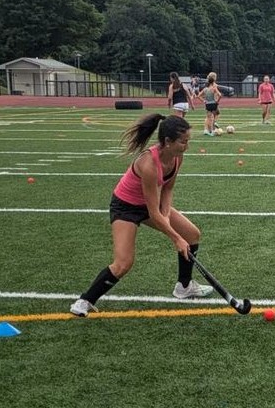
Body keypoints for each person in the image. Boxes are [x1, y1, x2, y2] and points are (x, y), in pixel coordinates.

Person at [70, 114, 213, 317]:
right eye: (183, 142)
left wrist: (167, 216)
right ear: (168, 142)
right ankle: (85, 301)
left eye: (188, 141)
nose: (186, 146)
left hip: (150, 205)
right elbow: (152, 212)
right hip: (126, 207)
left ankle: (184, 287)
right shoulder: (149, 164)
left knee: (192, 234)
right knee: (123, 263)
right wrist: (175, 237)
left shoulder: (176, 157)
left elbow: (168, 189)